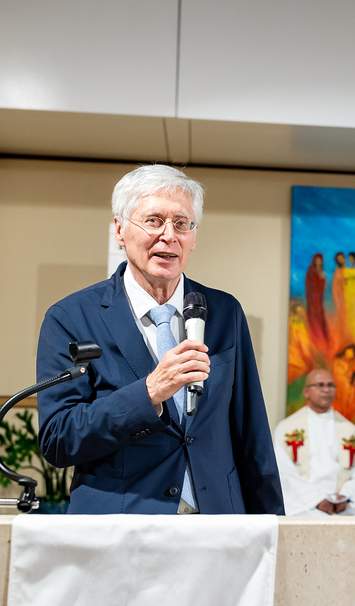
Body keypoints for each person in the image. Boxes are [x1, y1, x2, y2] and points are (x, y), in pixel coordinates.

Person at [36, 164, 283, 515]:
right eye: (153, 221)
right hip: (123, 524)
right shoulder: (71, 317)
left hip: (218, 523)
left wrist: (272, 528)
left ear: (193, 237)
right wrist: (149, 392)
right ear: (120, 229)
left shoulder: (225, 311)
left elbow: (252, 434)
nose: (169, 235)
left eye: (182, 224)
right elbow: (58, 439)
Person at [272, 369, 355, 515]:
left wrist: (346, 496)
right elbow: (283, 472)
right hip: (304, 506)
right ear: (306, 392)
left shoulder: (351, 432)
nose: (326, 389)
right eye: (320, 385)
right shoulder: (286, 429)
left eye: (330, 385)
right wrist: (316, 500)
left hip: (343, 508)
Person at [304, 253, 328, 347]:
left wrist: (321, 277)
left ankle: (323, 341)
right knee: (314, 318)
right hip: (312, 299)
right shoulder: (310, 270)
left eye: (320, 260)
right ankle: (317, 340)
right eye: (317, 260)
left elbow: (323, 284)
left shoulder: (321, 271)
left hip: (319, 299)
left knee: (320, 318)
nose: (318, 261)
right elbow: (310, 285)